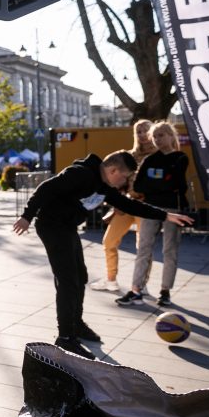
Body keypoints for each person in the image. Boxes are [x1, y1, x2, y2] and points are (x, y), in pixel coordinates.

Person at [13, 150, 193, 359]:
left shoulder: (104, 187)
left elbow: (129, 205)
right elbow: (45, 188)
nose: (125, 181)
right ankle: (65, 338)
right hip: (51, 226)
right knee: (68, 280)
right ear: (113, 170)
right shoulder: (81, 173)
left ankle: (76, 325)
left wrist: (166, 215)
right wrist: (27, 216)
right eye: (125, 177)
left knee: (80, 276)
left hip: (67, 227)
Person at [117, 122, 189, 308]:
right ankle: (135, 290)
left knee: (169, 251)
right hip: (150, 209)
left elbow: (178, 185)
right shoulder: (149, 160)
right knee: (143, 249)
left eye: (161, 135)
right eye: (155, 136)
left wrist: (156, 185)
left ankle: (165, 291)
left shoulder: (180, 158)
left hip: (173, 210)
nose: (157, 139)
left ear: (171, 136)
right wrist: (163, 183)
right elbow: (139, 186)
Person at [91, 120, 154, 292]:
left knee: (143, 246)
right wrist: (117, 201)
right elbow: (119, 182)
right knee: (109, 241)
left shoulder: (158, 156)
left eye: (145, 131)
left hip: (145, 205)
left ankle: (141, 284)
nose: (142, 134)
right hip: (126, 203)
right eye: (138, 131)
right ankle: (111, 280)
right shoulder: (129, 155)